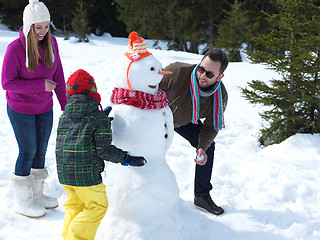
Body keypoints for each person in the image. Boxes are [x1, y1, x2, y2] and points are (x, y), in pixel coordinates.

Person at [56, 69, 146, 240]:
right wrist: (126, 158)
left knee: (74, 206)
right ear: (93, 92)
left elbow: (77, 133)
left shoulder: (64, 116)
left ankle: (67, 237)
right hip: (86, 176)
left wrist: (100, 119)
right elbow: (103, 149)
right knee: (97, 207)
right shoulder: (97, 118)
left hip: (65, 173)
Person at [1, 0, 67, 218]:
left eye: (46, 26)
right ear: (28, 25)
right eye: (38, 27)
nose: (43, 31)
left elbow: (58, 76)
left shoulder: (52, 43)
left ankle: (37, 195)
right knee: (27, 151)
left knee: (41, 151)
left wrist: (66, 106)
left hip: (44, 107)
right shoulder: (15, 49)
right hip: (20, 108)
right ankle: (23, 200)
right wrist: (40, 85)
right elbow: (7, 83)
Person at [159, 48, 229, 215]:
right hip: (156, 115)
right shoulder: (177, 71)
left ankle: (201, 196)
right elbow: (148, 86)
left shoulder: (220, 96)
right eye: (201, 69)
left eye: (210, 74)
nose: (203, 75)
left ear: (220, 77)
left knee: (208, 147)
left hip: (182, 121)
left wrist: (201, 147)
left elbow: (211, 126)